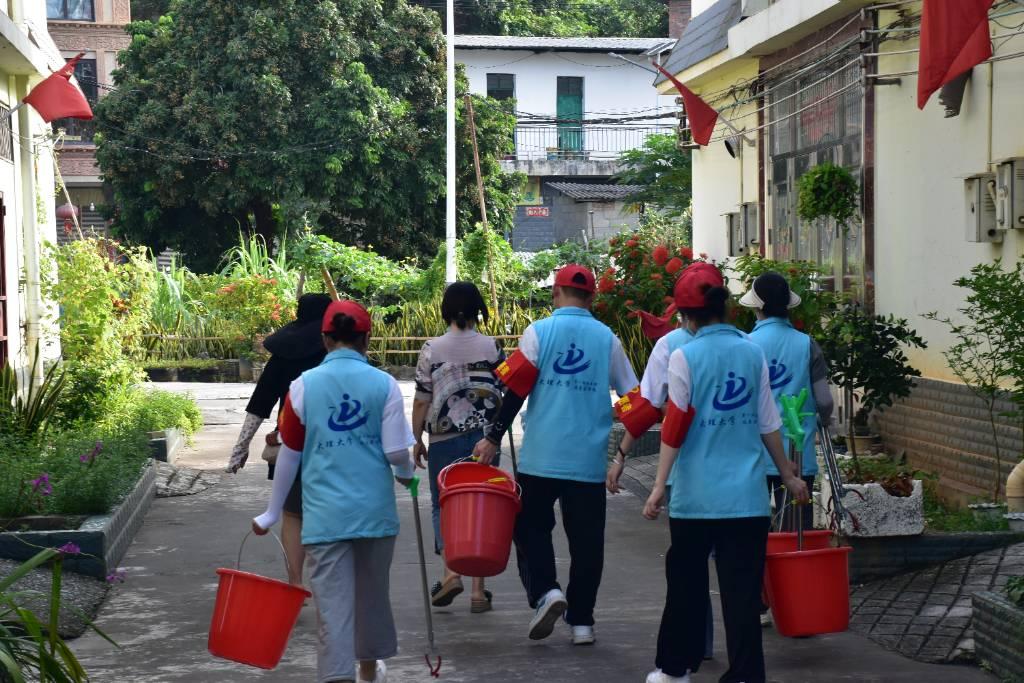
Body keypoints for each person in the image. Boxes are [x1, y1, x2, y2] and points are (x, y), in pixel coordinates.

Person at [642, 262, 809, 683]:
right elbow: (767, 422)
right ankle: (747, 675)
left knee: (686, 587)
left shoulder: (685, 355)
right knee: (741, 594)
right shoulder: (752, 351)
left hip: (695, 499)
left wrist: (659, 486)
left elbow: (675, 428)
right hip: (746, 499)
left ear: (685, 317)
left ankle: (675, 669)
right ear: (726, 309)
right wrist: (788, 474)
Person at [473, 264, 638, 646]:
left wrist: (494, 437)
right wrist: (625, 452)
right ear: (592, 298)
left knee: (529, 528)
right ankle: (582, 622)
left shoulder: (539, 332)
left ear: (555, 293)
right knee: (587, 543)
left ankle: (547, 591)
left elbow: (514, 390)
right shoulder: (607, 339)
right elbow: (634, 397)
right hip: (587, 460)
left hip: (541, 456)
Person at [252, 299, 415, 683]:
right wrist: (408, 475)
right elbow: (395, 452)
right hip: (374, 513)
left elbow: (290, 454)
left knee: (332, 604)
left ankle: (337, 674)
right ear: (366, 339)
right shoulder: (384, 384)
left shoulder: (302, 386)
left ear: (325, 339)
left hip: (324, 517)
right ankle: (369, 670)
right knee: (371, 597)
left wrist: (273, 511)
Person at [607, 317, 714, 661]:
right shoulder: (745, 345)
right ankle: (742, 662)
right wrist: (787, 471)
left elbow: (648, 407)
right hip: (741, 481)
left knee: (690, 565)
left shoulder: (670, 346)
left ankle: (699, 645)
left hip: (686, 475)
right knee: (732, 571)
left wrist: (623, 455)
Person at [411, 282, 505, 613]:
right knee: (482, 506)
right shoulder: (492, 347)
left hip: (443, 439)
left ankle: (451, 573)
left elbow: (422, 400)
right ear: (478, 308)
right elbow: (505, 390)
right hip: (485, 439)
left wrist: (416, 438)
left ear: (446, 310)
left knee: (444, 504)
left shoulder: (431, 349)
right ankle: (478, 593)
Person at [226, 292, 331, 586]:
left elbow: (260, 403)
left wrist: (240, 449)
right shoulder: (334, 352)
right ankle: (328, 579)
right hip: (334, 444)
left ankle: (296, 582)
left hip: (291, 442)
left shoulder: (284, 355)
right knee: (328, 511)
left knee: (293, 515)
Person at [740, 271, 834, 529]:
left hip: (754, 453)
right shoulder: (807, 344)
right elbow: (825, 401)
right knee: (795, 535)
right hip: (798, 452)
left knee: (753, 532)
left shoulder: (745, 345)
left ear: (757, 307)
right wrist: (822, 420)